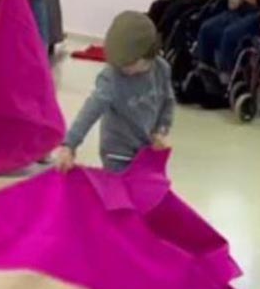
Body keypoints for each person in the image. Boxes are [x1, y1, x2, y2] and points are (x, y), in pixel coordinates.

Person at [56, 11, 173, 173]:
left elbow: (168, 101)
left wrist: (161, 130)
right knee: (118, 187)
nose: (121, 68)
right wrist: (69, 145)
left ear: (147, 55)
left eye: (127, 64)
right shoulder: (111, 78)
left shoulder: (162, 69)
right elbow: (90, 111)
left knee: (147, 184)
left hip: (148, 147)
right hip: (117, 151)